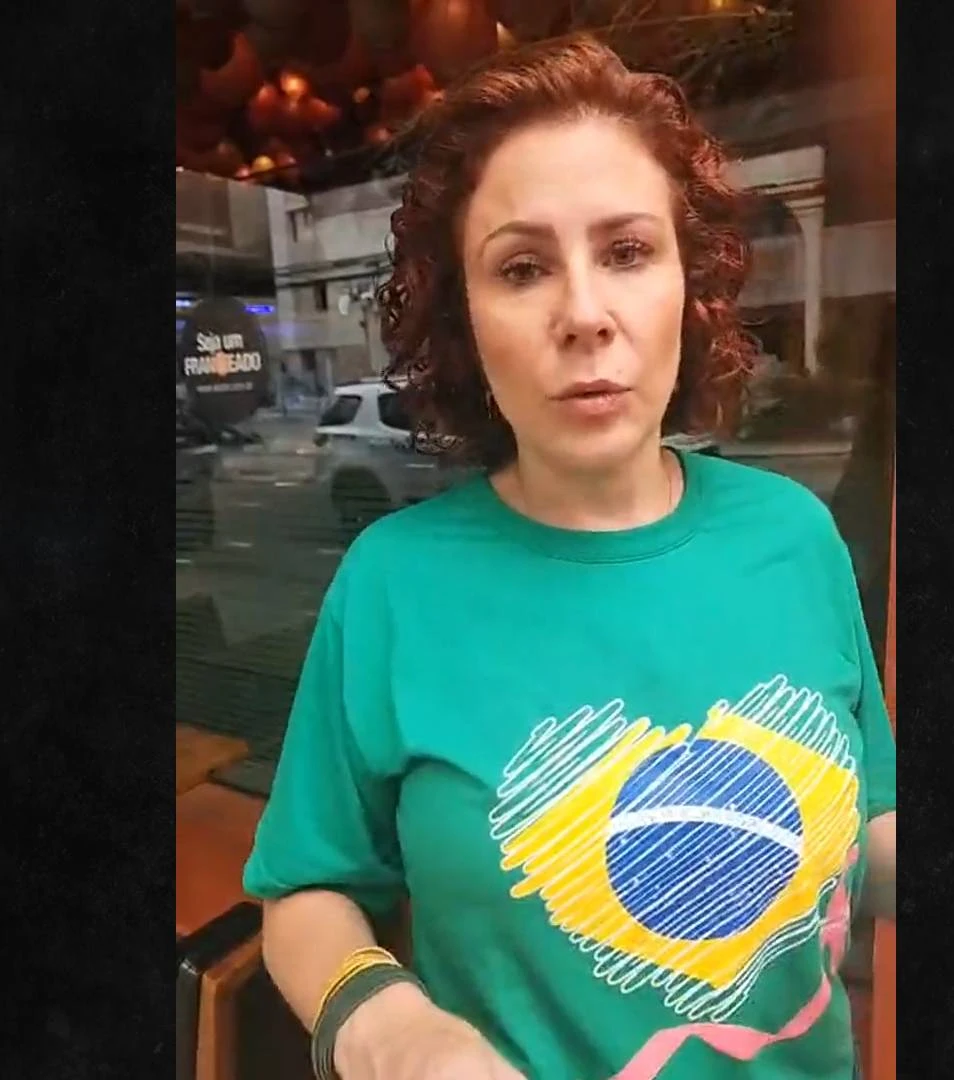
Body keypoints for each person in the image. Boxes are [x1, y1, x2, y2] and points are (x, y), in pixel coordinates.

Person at [241, 34, 897, 1080]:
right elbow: (307, 892)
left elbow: (871, 826)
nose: (585, 314)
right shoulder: (395, 584)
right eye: (522, 268)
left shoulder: (793, 535)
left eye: (628, 252)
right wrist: (390, 1029)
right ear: (466, 319)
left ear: (689, 284)